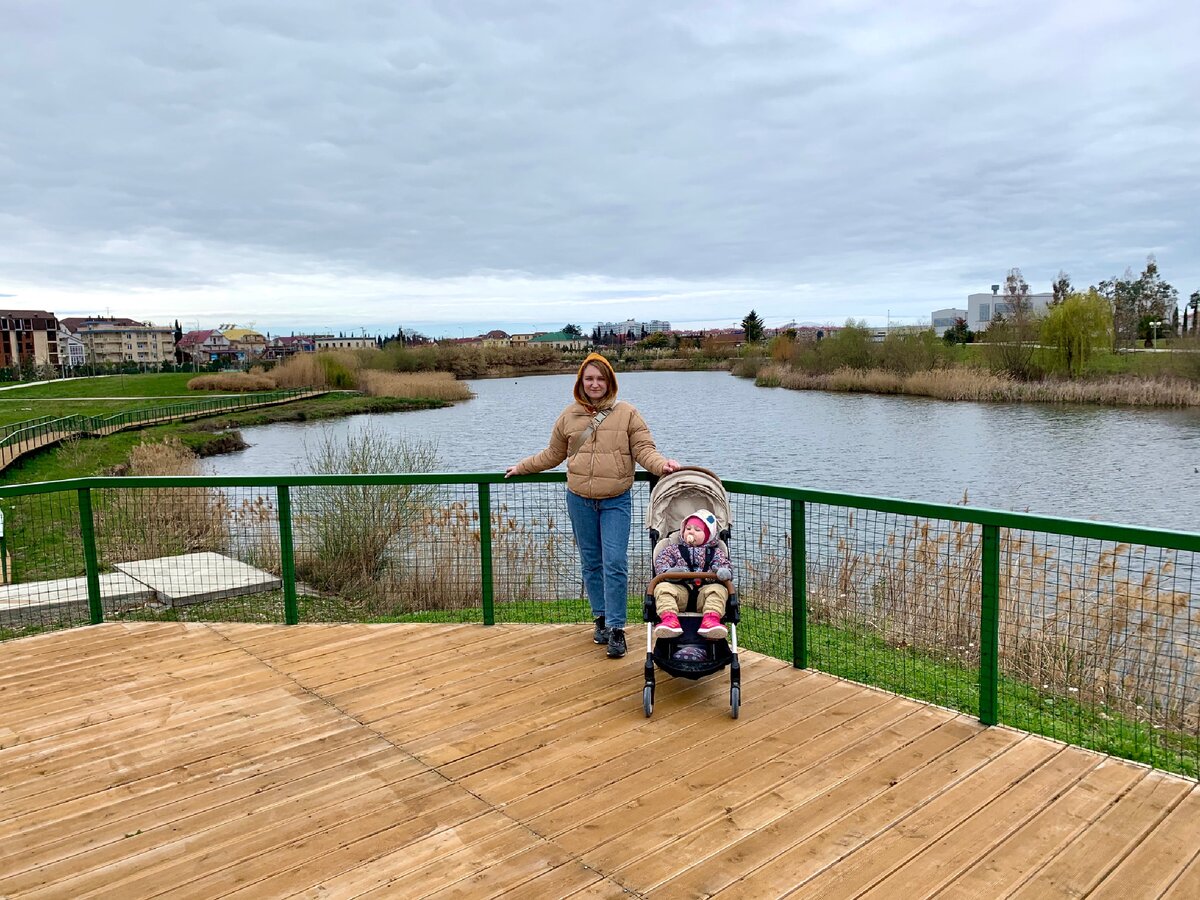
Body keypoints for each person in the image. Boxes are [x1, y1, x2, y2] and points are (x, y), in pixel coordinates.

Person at [505, 352, 680, 659]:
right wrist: (522, 466)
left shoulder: (627, 413)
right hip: (580, 501)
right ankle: (600, 618)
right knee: (591, 562)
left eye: (601, 378)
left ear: (610, 381)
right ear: (581, 383)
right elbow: (552, 455)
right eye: (589, 379)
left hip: (615, 501)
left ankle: (616, 629)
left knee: (614, 562)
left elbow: (644, 449)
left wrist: (662, 465)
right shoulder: (568, 416)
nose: (595, 384)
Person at [652, 508, 732, 640]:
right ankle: (669, 619)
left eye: (697, 530)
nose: (691, 532)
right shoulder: (673, 549)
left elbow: (724, 566)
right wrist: (670, 572)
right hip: (680, 592)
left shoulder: (715, 553)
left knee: (718, 590)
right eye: (688, 528)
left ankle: (711, 620)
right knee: (662, 588)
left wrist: (722, 571)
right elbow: (661, 564)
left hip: (705, 593)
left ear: (708, 536)